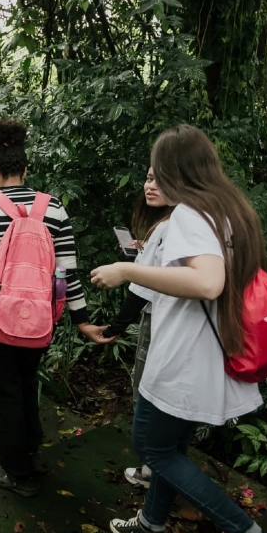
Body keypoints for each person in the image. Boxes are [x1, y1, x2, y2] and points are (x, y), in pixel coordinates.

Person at [90, 124, 267, 533]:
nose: (153, 179)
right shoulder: (227, 211)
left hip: (185, 358)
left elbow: (207, 282)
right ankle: (151, 523)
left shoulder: (190, 216)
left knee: (152, 447)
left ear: (179, 170)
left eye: (160, 171)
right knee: (170, 447)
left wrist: (128, 270)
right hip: (207, 355)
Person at [0, 118, 103, 497]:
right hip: (41, 318)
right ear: (26, 169)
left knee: (2, 390)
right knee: (26, 381)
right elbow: (65, 271)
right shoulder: (55, 208)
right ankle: (30, 450)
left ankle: (16, 472)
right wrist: (75, 317)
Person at [92, 172, 174, 488]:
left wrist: (114, 328)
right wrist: (144, 249)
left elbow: (140, 289)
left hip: (158, 322)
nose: (150, 185)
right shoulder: (180, 226)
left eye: (160, 180)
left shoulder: (166, 227)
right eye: (149, 178)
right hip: (174, 321)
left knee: (147, 391)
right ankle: (156, 467)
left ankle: (152, 468)